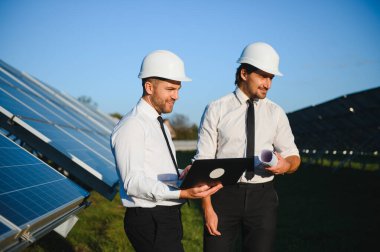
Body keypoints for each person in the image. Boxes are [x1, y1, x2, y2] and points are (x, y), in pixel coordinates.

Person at [111, 50, 222, 252]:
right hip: (150, 218)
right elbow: (133, 182)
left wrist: (181, 176)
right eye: (170, 89)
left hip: (164, 216)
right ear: (149, 87)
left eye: (178, 89)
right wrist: (182, 192)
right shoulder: (133, 125)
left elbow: (152, 169)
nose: (176, 96)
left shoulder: (156, 122)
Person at [195, 42, 301, 252]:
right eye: (263, 76)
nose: (268, 84)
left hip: (262, 199)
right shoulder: (216, 109)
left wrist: (285, 166)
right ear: (244, 73)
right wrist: (207, 209)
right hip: (222, 196)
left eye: (271, 78)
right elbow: (203, 162)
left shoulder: (275, 113)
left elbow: (294, 156)